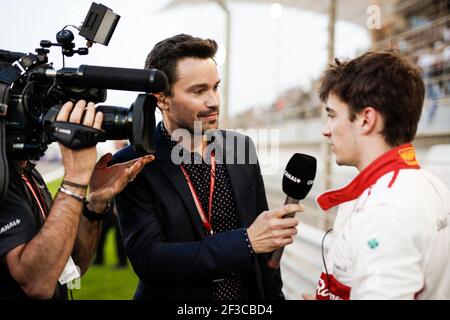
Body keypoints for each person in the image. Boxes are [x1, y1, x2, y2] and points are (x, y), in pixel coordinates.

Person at [113, 34, 302, 300]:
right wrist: (245, 242)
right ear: (162, 98)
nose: (213, 101)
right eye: (198, 91)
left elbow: (266, 255)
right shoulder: (132, 162)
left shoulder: (242, 147)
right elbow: (151, 261)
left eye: (216, 87)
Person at [304, 51, 450, 300]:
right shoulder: (426, 183)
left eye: (332, 115)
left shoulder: (386, 207)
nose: (325, 130)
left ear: (366, 119)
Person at [0, 100, 153, 299]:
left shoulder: (28, 172)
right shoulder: (5, 176)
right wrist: (75, 178)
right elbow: (37, 283)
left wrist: (95, 203)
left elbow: (73, 265)